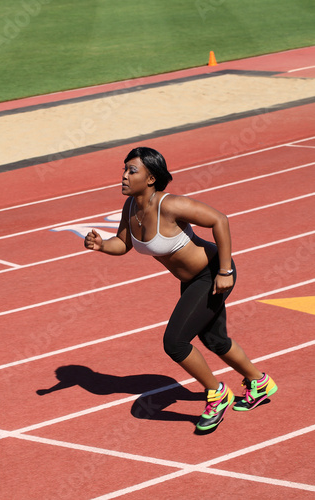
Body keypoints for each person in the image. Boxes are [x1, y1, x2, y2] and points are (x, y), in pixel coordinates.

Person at [84, 146, 277, 431]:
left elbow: (219, 220)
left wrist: (224, 271)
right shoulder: (131, 208)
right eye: (124, 170)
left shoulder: (170, 205)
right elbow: (123, 243)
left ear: (151, 178)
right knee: (214, 340)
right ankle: (259, 383)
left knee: (174, 342)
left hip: (212, 274)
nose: (123, 176)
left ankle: (217, 393)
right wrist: (101, 245)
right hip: (191, 280)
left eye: (131, 170)